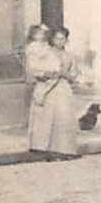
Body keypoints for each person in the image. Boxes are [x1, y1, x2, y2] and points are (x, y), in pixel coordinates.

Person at [28, 27, 84, 159]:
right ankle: (44, 149)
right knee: (47, 119)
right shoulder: (45, 52)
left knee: (64, 119)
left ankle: (64, 150)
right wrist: (46, 73)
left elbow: (75, 74)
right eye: (57, 38)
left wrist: (66, 74)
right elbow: (34, 69)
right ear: (52, 39)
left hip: (63, 88)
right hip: (47, 87)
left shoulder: (69, 56)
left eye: (63, 39)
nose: (60, 41)